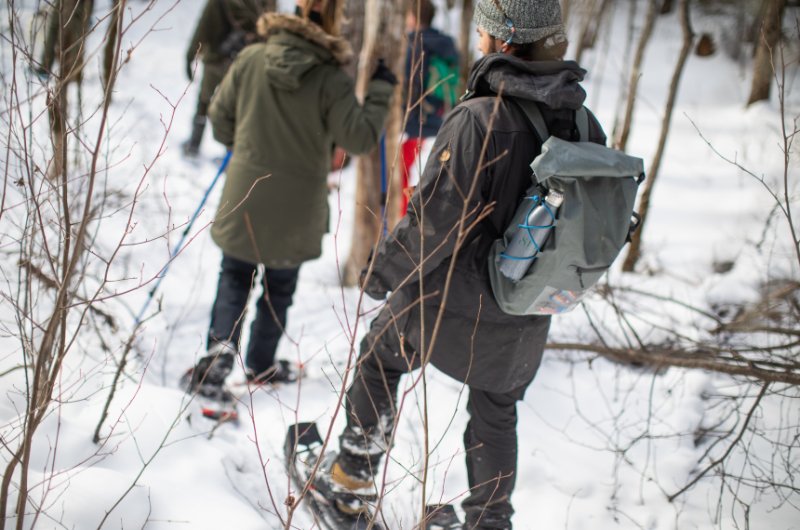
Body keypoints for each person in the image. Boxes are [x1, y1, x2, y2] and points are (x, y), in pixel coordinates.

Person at [312, 0, 607, 528]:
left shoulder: (479, 118)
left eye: (483, 28)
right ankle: (489, 522)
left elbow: (435, 220)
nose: (476, 37)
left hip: (449, 297)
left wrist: (382, 273)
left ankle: (349, 482)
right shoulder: (585, 123)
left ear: (502, 38)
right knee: (496, 411)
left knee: (381, 359)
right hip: (526, 305)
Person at [183, 0, 396, 398]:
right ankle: (261, 365)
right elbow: (360, 138)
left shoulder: (251, 58)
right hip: (298, 203)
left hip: (246, 190)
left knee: (234, 276)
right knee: (279, 287)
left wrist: (246, 149)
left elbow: (219, 117)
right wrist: (381, 88)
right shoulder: (330, 78)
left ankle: (218, 357)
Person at [182, 0, 270, 157]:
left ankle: (194, 144)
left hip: (216, 59)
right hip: (244, 62)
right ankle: (231, 153)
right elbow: (269, 32)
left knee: (204, 100)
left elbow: (204, 26)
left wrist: (190, 55)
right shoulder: (265, 2)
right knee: (237, 107)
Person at [400, 0, 459, 214]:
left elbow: (411, 83)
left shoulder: (417, 44)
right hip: (440, 121)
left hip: (415, 123)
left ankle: (404, 221)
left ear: (414, 17)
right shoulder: (447, 45)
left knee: (404, 179)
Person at [34, 0, 95, 179]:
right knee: (57, 104)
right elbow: (55, 21)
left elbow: (77, 21)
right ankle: (60, 159)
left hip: (68, 55)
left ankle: (61, 161)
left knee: (59, 104)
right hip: (64, 54)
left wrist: (71, 60)